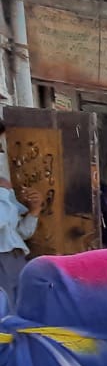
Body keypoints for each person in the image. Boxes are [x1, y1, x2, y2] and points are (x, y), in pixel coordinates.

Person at [0, 127, 44, 305]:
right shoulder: (4, 191)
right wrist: (4, 192)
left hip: (14, 259)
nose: (3, 153)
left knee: (21, 309)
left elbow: (19, 233)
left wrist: (34, 210)